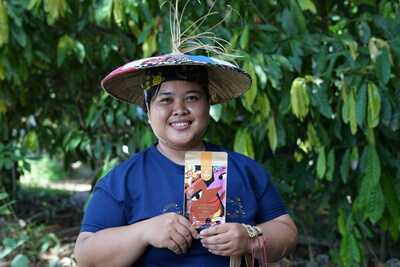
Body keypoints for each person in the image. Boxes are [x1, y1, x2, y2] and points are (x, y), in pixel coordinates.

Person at [74, 4, 297, 267]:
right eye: (165, 100)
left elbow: (288, 233)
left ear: (207, 106)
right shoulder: (123, 181)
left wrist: (251, 239)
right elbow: (86, 255)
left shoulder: (246, 170)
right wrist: (143, 232)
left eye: (192, 98)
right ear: (148, 112)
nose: (179, 109)